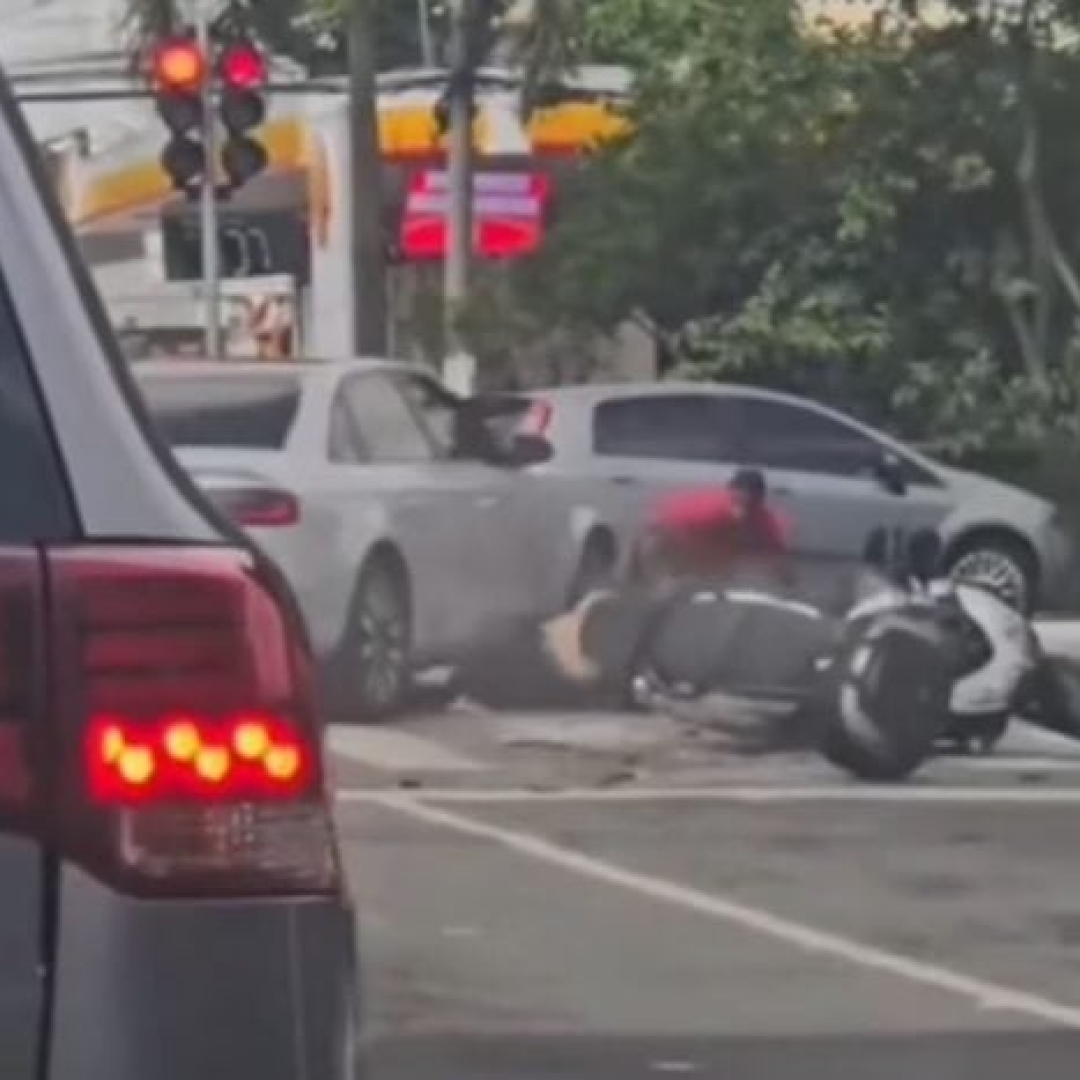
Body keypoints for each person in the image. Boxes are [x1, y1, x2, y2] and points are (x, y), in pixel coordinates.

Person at [634, 467, 795, 588]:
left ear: (759, 501)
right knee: (666, 579)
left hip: (711, 548)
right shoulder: (704, 510)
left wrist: (788, 583)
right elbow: (654, 534)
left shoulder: (766, 521)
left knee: (728, 567)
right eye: (736, 503)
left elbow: (777, 557)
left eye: (748, 505)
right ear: (730, 494)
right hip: (670, 538)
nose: (740, 512)